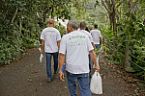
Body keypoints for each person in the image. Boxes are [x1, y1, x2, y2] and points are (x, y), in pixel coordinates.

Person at [58, 20, 100, 96]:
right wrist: (96, 65)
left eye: (67, 26)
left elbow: (61, 55)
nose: (67, 28)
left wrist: (61, 70)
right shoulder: (85, 36)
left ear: (70, 27)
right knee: (85, 90)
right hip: (84, 68)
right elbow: (92, 52)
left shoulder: (65, 37)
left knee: (72, 90)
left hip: (71, 69)